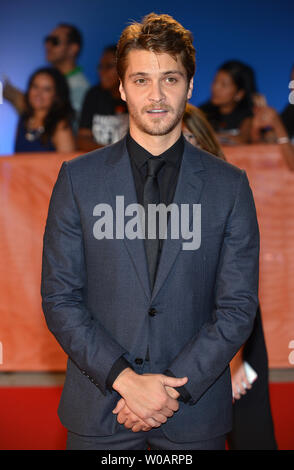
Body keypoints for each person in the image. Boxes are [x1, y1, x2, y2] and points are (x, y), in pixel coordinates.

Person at [41, 13, 260, 450]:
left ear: (190, 86)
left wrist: (167, 392)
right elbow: (60, 298)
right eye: (141, 80)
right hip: (100, 413)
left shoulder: (230, 186)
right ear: (121, 88)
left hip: (193, 419)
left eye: (170, 79)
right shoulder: (76, 180)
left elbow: (236, 308)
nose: (157, 96)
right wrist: (125, 380)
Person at [182, 103, 277, 450]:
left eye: (188, 137)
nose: (180, 147)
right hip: (183, 328)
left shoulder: (228, 192)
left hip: (235, 326)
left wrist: (237, 359)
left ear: (205, 142)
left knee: (249, 429)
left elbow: (236, 288)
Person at [4, 24, 90, 129]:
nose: (47, 45)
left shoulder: (80, 88)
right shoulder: (57, 78)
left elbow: (68, 127)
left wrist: (20, 101)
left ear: (73, 48)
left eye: (55, 41)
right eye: (47, 40)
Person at [77, 45, 128, 151]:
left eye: (108, 66)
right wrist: (110, 153)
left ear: (124, 68)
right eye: (100, 66)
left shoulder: (135, 96)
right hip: (100, 161)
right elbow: (82, 140)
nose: (102, 72)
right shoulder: (94, 95)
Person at [14, 67, 75, 153]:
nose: (38, 94)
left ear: (56, 95)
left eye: (46, 89)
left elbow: (69, 165)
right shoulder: (24, 119)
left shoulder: (60, 126)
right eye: (35, 86)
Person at [200, 60, 255, 145]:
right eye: (215, 81)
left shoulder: (248, 115)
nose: (215, 88)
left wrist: (210, 137)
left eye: (224, 85)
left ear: (239, 94)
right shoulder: (202, 112)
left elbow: (243, 140)